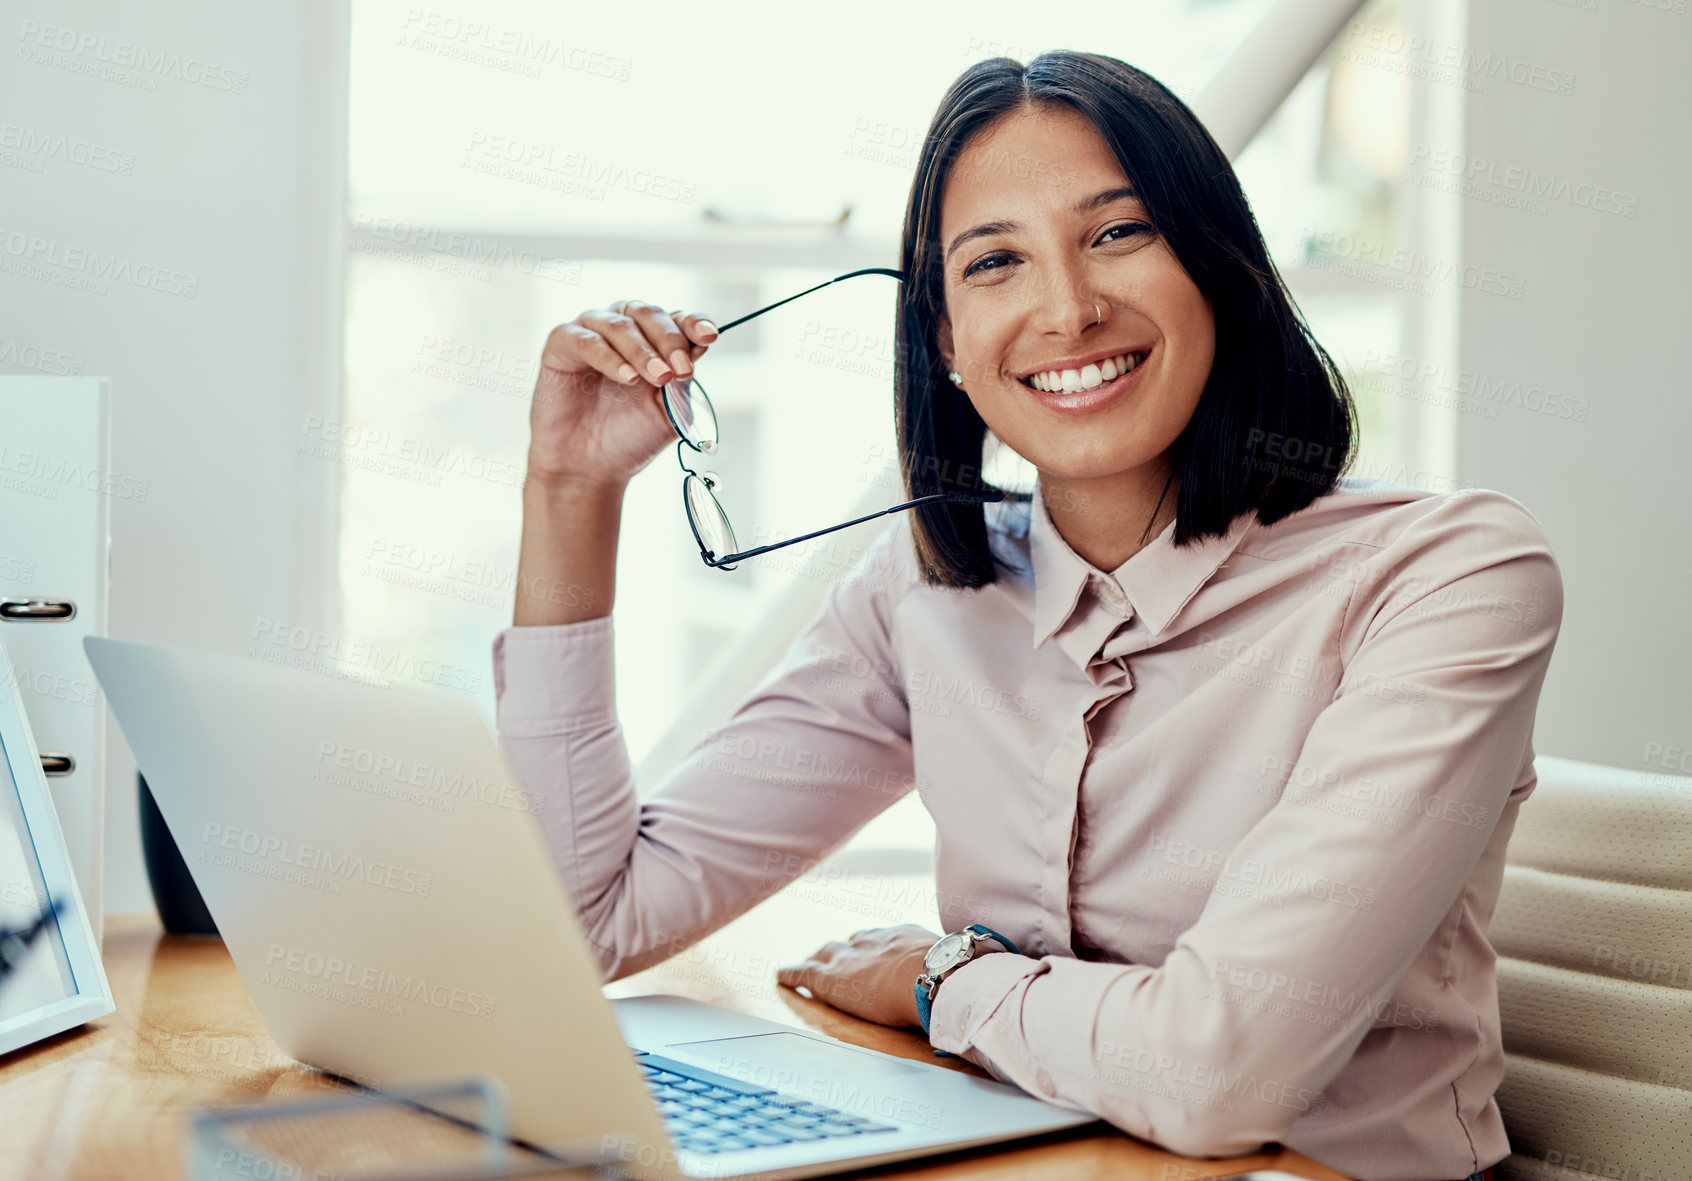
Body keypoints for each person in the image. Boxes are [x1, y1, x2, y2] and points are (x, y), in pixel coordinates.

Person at [492, 50, 1559, 1181]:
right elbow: (582, 923)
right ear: (945, 339)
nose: (1067, 308)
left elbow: (1218, 1077)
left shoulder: (1445, 574)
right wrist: (571, 493)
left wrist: (939, 978)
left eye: (1119, 232)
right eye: (994, 261)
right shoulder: (924, 595)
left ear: (1221, 267)